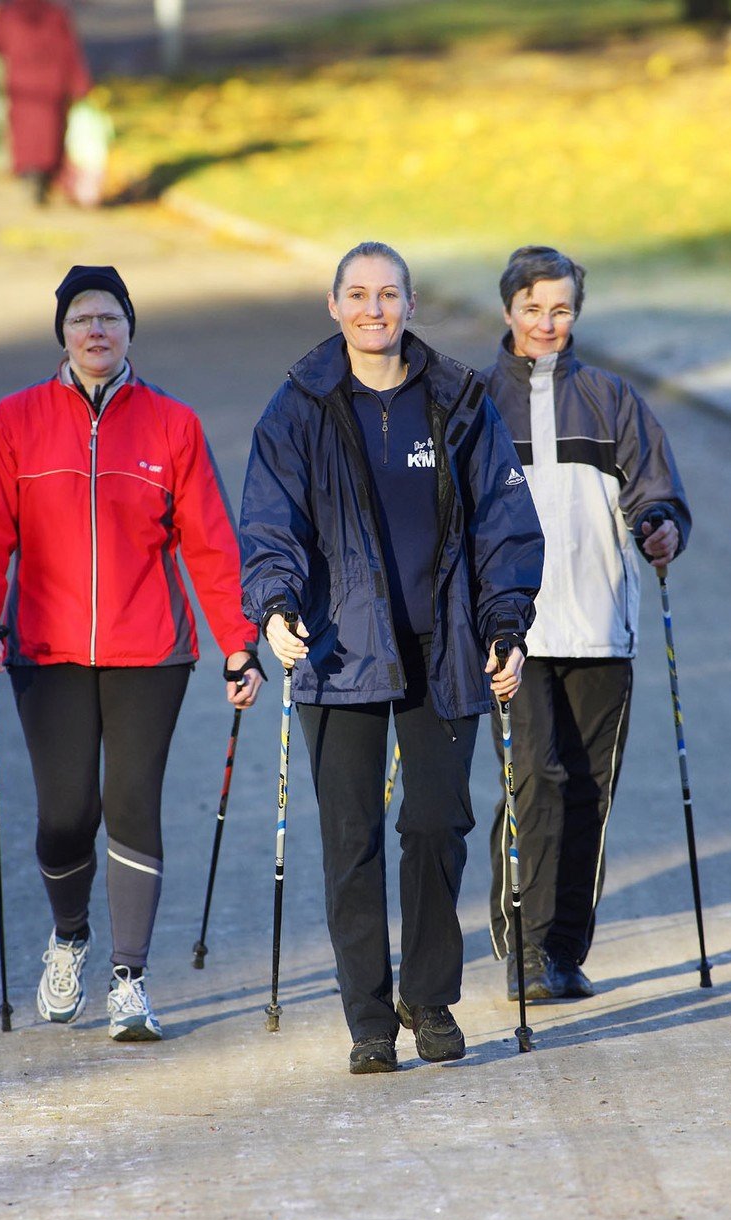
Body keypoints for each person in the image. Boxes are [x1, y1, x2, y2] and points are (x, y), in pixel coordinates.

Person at [239, 241, 544, 1074]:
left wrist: (505, 622)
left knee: (438, 822)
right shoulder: (297, 408)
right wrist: (272, 609)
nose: (374, 309)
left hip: (442, 649)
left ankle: (429, 997)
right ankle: (369, 1020)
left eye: (389, 295)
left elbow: (503, 528)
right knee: (352, 838)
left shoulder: (458, 400)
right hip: (337, 652)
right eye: (358, 295)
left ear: (410, 305)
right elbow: (270, 523)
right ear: (333, 306)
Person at [0, 264, 263, 1041]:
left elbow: (209, 544)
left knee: (131, 805)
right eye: (83, 318)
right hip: (45, 650)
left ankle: (129, 978)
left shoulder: (171, 424)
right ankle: (69, 938)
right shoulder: (18, 419)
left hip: (148, 651)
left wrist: (238, 645)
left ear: (130, 330)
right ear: (62, 332)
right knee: (65, 816)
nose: (97, 331)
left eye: (111, 318)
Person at [484, 245, 691, 1002]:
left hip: (602, 625)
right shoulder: (475, 403)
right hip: (512, 634)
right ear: (508, 310)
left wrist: (660, 528)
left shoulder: (611, 398)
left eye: (561, 309)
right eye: (533, 308)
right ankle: (524, 948)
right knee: (534, 780)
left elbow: (654, 493)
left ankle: (564, 951)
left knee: (587, 791)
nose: (547, 323)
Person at [0, 0, 91, 203]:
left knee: (25, 133)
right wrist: (80, 84)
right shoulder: (56, 14)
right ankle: (44, 177)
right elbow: (70, 51)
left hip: (22, 86)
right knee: (50, 133)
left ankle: (30, 174)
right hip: (52, 85)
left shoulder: (8, 14)